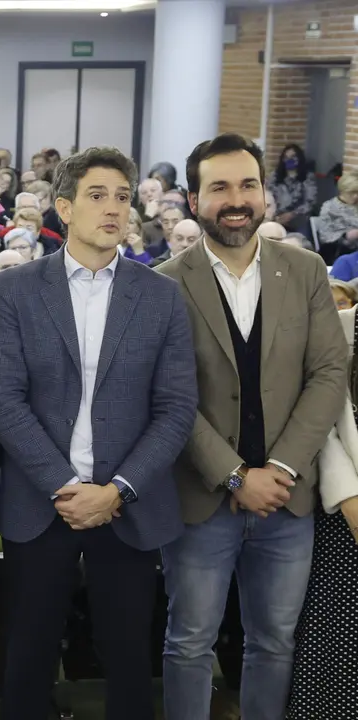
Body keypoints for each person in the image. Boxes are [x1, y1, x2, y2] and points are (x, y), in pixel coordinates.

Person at [0, 146, 199, 720]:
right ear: (64, 208)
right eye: (98, 196)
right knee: (26, 659)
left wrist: (116, 489)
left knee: (129, 661)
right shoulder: (17, 290)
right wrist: (64, 485)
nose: (114, 209)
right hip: (39, 503)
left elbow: (176, 409)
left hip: (127, 507)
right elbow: (3, 401)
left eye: (123, 198)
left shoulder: (160, 296)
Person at [155, 132, 348, 720]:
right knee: (190, 644)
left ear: (264, 194)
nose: (235, 199)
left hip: (288, 503)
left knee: (275, 643)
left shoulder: (307, 269)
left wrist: (281, 470)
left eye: (247, 185)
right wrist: (237, 477)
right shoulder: (163, 283)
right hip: (202, 501)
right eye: (219, 188)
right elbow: (168, 397)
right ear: (193, 200)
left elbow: (328, 373)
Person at [288, 300, 358, 717]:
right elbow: (323, 426)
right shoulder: (341, 327)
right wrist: (350, 501)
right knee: (336, 645)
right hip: (344, 516)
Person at [267, 143, 318, 236]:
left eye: (293, 156)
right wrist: (277, 217)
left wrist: (292, 214)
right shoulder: (274, 177)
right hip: (277, 216)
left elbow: (310, 202)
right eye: (286, 157)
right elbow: (268, 198)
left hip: (298, 218)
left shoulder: (307, 177)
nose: (290, 160)